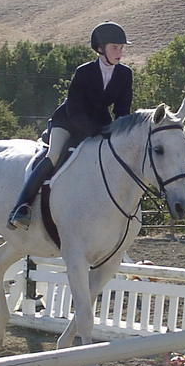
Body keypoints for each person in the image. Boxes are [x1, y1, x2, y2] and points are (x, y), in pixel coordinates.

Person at [7, 21, 133, 230]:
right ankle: (21, 207)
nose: (119, 53)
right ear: (100, 48)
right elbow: (75, 109)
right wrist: (94, 131)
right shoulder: (84, 72)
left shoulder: (125, 74)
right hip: (68, 122)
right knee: (54, 155)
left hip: (100, 124)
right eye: (114, 47)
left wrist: (119, 133)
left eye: (121, 48)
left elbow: (122, 110)